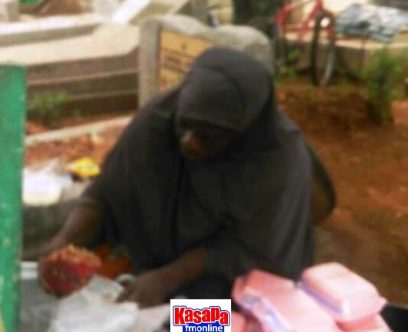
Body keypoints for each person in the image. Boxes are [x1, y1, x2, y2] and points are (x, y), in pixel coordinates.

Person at [41, 47, 334, 307]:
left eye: (209, 135)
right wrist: (66, 240)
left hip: (245, 271)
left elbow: (251, 251)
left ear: (241, 131)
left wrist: (168, 278)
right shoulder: (159, 119)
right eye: (185, 127)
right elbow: (108, 192)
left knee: (202, 329)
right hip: (167, 256)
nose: (190, 143)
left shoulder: (276, 160)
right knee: (134, 310)